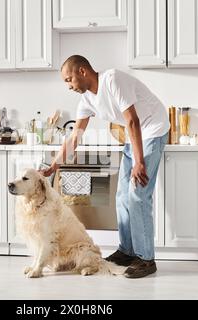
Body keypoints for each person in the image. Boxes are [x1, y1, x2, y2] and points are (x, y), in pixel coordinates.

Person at [41, 55, 170, 279]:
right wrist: (53, 167)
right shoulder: (86, 100)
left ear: (82, 71)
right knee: (122, 197)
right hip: (134, 137)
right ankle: (127, 251)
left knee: (138, 194)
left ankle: (146, 259)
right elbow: (74, 139)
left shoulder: (112, 80)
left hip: (153, 128)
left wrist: (139, 162)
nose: (68, 86)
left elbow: (132, 120)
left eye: (68, 79)